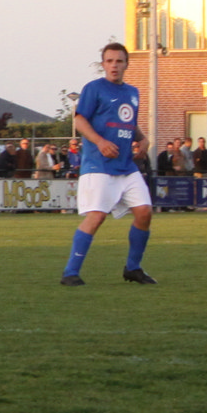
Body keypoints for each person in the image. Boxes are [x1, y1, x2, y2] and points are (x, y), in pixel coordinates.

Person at [60, 41, 155, 287]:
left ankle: (133, 268)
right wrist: (100, 142)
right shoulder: (94, 88)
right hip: (99, 165)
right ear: (103, 64)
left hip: (126, 166)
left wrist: (143, 139)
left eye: (119, 61)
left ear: (126, 65)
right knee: (96, 216)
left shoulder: (132, 92)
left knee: (144, 212)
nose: (114, 65)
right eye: (110, 61)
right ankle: (70, 272)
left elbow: (128, 123)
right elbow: (80, 120)